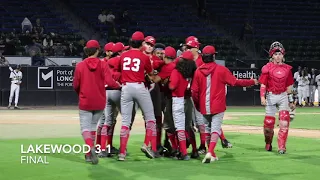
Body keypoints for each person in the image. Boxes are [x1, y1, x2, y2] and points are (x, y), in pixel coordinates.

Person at [191, 45, 258, 163]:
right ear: (214, 56)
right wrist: (251, 81)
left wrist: (197, 105)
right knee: (215, 129)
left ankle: (211, 153)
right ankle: (210, 152)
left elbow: (194, 92)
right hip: (217, 105)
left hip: (203, 106)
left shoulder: (197, 72)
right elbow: (235, 82)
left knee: (207, 129)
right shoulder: (221, 70)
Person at [73, 40, 119, 164]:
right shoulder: (103, 64)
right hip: (99, 101)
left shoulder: (80, 65)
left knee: (85, 128)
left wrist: (81, 94)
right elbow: (110, 82)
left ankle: (90, 148)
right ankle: (88, 154)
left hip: (85, 101)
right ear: (98, 50)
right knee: (93, 127)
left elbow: (75, 85)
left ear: (86, 51)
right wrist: (119, 86)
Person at [118, 31, 158, 161]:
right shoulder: (144, 57)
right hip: (139, 86)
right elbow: (151, 73)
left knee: (125, 121)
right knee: (150, 118)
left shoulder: (123, 56)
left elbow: (120, 70)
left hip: (126, 87)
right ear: (142, 44)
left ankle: (122, 152)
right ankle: (147, 144)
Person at [259, 41, 295, 155]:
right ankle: (268, 142)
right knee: (269, 124)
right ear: (272, 55)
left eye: (280, 54)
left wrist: (291, 101)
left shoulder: (287, 69)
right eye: (275, 54)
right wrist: (262, 97)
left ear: (283, 55)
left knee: (284, 122)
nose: (278, 56)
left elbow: (289, 86)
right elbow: (263, 84)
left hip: (283, 96)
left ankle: (282, 147)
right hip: (271, 96)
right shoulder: (267, 68)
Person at [169, 51, 198, 160]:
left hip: (177, 100)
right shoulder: (192, 73)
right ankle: (193, 150)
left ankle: (184, 153)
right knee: (188, 126)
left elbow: (172, 86)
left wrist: (168, 82)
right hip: (188, 99)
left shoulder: (176, 71)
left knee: (179, 128)